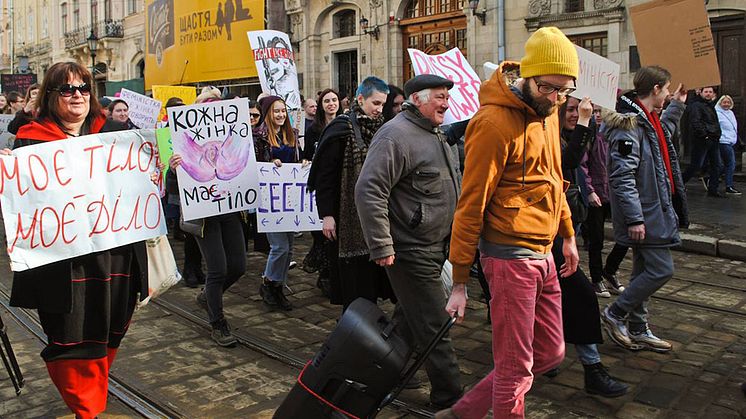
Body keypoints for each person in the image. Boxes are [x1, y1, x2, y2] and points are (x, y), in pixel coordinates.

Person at [440, 27, 580, 418]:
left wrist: (567, 235)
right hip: (508, 258)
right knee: (516, 370)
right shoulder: (491, 123)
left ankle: (462, 412)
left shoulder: (549, 114)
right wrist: (461, 281)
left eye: (565, 90)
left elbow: (554, 179)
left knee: (550, 353)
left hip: (545, 251)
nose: (557, 99)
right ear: (529, 76)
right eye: (550, 88)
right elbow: (470, 205)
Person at [2, 61, 150, 419]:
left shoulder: (116, 131)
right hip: (63, 265)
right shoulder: (30, 141)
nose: (77, 96)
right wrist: (7, 173)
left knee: (109, 332)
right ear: (51, 96)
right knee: (71, 341)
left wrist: (162, 166)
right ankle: (86, 409)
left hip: (116, 256)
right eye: (67, 89)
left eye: (83, 88)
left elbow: (139, 182)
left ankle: (92, 400)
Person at [356, 74, 463, 409]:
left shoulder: (436, 134)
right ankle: (451, 400)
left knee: (411, 319)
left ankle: (384, 375)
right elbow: (368, 190)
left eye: (448, 96)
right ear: (417, 99)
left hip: (435, 246)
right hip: (409, 249)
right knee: (435, 325)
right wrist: (382, 245)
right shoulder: (395, 135)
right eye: (440, 96)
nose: (446, 103)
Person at [601, 66, 688, 354]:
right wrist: (635, 218)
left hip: (652, 211)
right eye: (666, 90)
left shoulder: (647, 120)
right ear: (655, 89)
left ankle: (639, 328)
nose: (666, 94)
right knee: (662, 270)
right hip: (646, 214)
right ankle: (615, 313)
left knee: (642, 272)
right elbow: (622, 177)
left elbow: (664, 134)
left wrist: (676, 106)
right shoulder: (629, 126)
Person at [554, 96, 628, 398]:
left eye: (577, 110)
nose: (575, 114)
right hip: (532, 233)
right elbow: (567, 161)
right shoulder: (545, 134)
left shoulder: (577, 135)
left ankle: (549, 355)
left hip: (563, 224)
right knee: (580, 294)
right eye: (569, 110)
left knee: (557, 298)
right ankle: (590, 367)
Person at [307, 77, 395, 309]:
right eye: (375, 103)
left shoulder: (383, 129)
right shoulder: (341, 129)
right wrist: (327, 215)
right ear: (360, 99)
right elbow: (325, 176)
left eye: (382, 104)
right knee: (355, 282)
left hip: (376, 216)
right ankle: (354, 325)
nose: (379, 109)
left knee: (375, 278)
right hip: (346, 218)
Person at [170, 93, 246, 347]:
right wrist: (173, 168)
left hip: (230, 210)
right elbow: (169, 184)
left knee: (238, 266)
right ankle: (218, 322)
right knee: (218, 269)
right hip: (203, 215)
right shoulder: (182, 146)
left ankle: (208, 297)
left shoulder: (231, 148)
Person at [254, 95, 303, 311]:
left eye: (283, 110)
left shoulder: (291, 136)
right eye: (276, 111)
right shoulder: (259, 137)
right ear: (267, 114)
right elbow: (252, 165)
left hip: (288, 197)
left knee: (290, 248)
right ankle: (268, 283)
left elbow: (296, 161)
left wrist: (304, 163)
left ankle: (279, 287)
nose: (281, 115)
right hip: (269, 200)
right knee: (279, 246)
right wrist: (267, 163)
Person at [581, 104, 628, 296]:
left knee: (626, 236)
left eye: (602, 111)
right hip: (597, 193)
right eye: (596, 111)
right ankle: (597, 278)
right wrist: (590, 190)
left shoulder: (618, 134)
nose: (599, 115)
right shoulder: (590, 135)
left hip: (616, 192)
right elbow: (582, 165)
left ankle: (609, 271)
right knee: (596, 239)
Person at [681, 86, 723, 197]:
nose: (708, 94)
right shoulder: (697, 105)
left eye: (710, 92)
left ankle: (713, 189)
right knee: (696, 165)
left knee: (717, 165)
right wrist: (704, 136)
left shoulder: (710, 106)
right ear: (701, 93)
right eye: (706, 92)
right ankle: (678, 184)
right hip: (702, 140)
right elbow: (695, 122)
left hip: (713, 139)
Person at [715, 95, 741, 196]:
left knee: (724, 164)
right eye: (724, 102)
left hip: (730, 141)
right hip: (723, 141)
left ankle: (712, 177)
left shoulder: (731, 113)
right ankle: (728, 186)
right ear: (720, 103)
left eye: (728, 102)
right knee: (731, 163)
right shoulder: (717, 113)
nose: (726, 104)